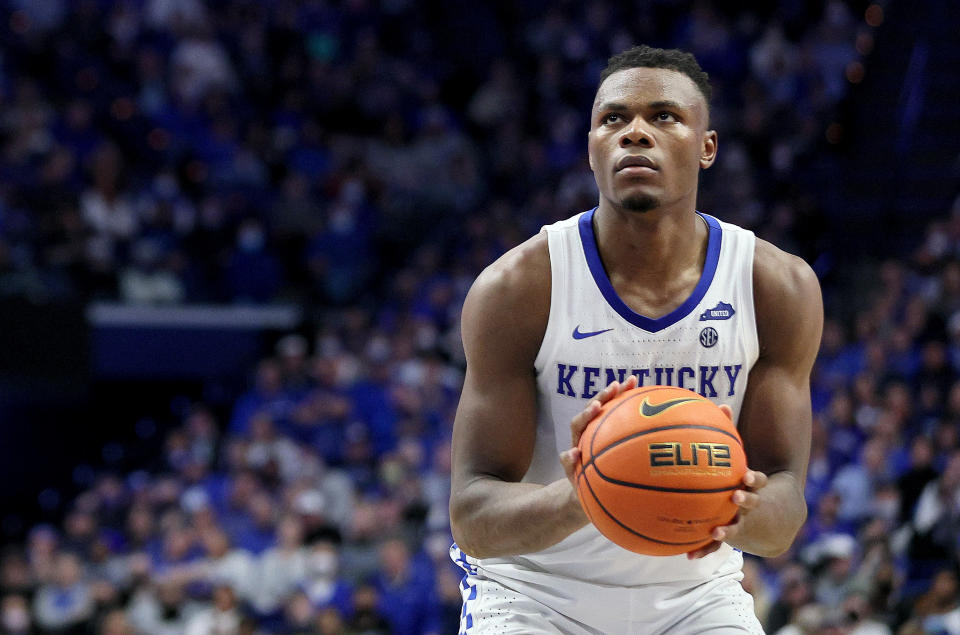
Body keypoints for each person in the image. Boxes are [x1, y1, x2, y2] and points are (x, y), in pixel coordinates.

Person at [448, 44, 823, 633]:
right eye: (613, 119)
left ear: (707, 148)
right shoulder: (519, 288)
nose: (635, 133)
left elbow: (785, 511)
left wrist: (735, 508)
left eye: (664, 116)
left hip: (698, 597)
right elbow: (472, 515)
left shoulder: (775, 287)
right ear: (592, 148)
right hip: (532, 594)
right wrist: (585, 496)